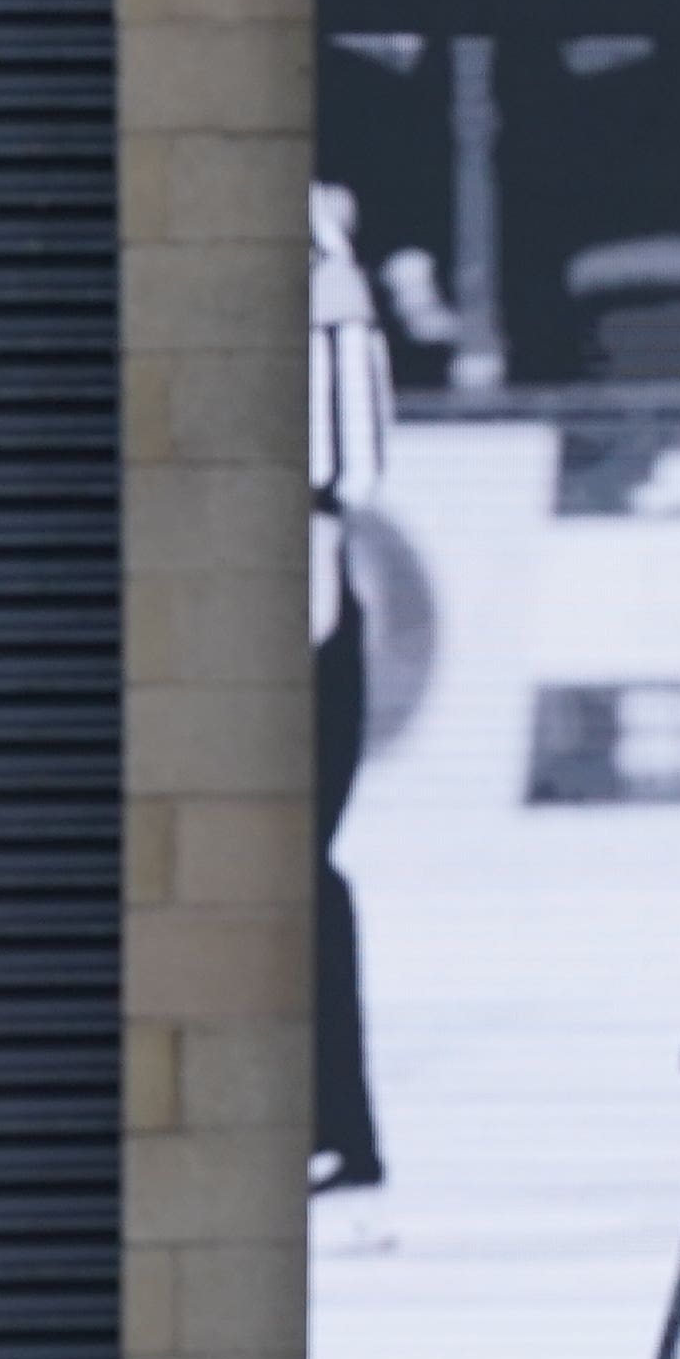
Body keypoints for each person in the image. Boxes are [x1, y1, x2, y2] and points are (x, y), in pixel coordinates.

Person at [308, 180, 398, 1249]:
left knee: (289, 866)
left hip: (292, 557)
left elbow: (346, 456)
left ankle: (337, 1138)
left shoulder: (300, 223)